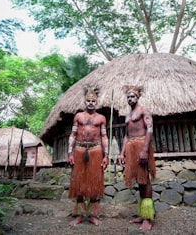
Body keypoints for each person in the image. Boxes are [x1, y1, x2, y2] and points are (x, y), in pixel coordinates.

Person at [67, 85, 109, 226]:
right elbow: (73, 134)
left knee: (94, 183)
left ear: (97, 102)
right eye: (88, 100)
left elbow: (104, 137)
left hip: (96, 151)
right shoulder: (78, 116)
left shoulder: (101, 118)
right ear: (85, 101)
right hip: (79, 150)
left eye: (93, 101)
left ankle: (92, 215)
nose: (91, 103)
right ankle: (79, 215)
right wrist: (69, 152)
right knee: (79, 183)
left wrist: (106, 155)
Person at [119, 85, 156, 231]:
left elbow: (150, 129)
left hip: (141, 146)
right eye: (128, 97)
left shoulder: (144, 110)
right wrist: (122, 153)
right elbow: (126, 135)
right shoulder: (128, 115)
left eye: (132, 96)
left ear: (138, 97)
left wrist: (145, 150)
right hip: (131, 147)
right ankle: (142, 214)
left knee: (145, 180)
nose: (130, 99)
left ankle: (148, 218)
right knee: (139, 181)